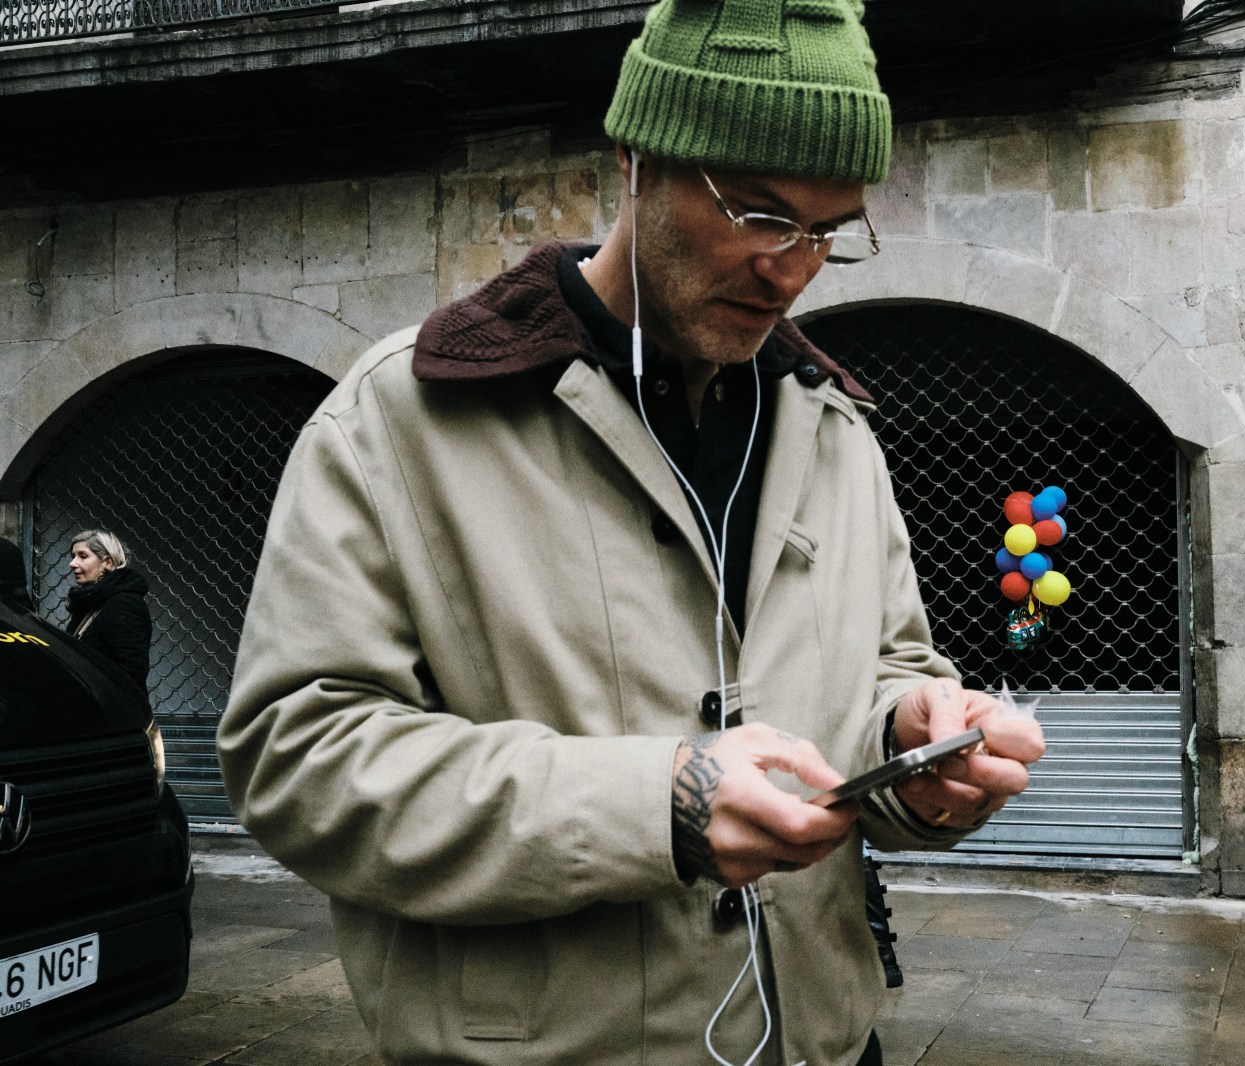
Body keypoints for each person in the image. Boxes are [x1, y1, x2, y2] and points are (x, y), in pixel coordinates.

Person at [218, 2, 1045, 1064]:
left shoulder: (835, 431)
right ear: (635, 159)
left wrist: (906, 742)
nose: (791, 270)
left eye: (828, 232)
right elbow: (299, 755)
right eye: (758, 214)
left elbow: (885, 668)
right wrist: (649, 804)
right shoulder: (399, 418)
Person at [64, 528, 152, 691]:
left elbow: (132, 670)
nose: (73, 563)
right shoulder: (92, 600)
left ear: (108, 563)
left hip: (110, 710)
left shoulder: (122, 602)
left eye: (83, 556)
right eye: (73, 556)